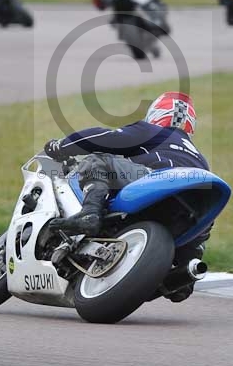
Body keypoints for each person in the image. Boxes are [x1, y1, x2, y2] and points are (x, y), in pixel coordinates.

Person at [43, 91, 210, 302]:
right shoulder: (199, 157)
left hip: (153, 180)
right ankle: (186, 274)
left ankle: (90, 213)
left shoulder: (152, 131)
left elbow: (101, 137)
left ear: (157, 114)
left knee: (98, 160)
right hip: (188, 210)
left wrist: (62, 146)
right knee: (203, 226)